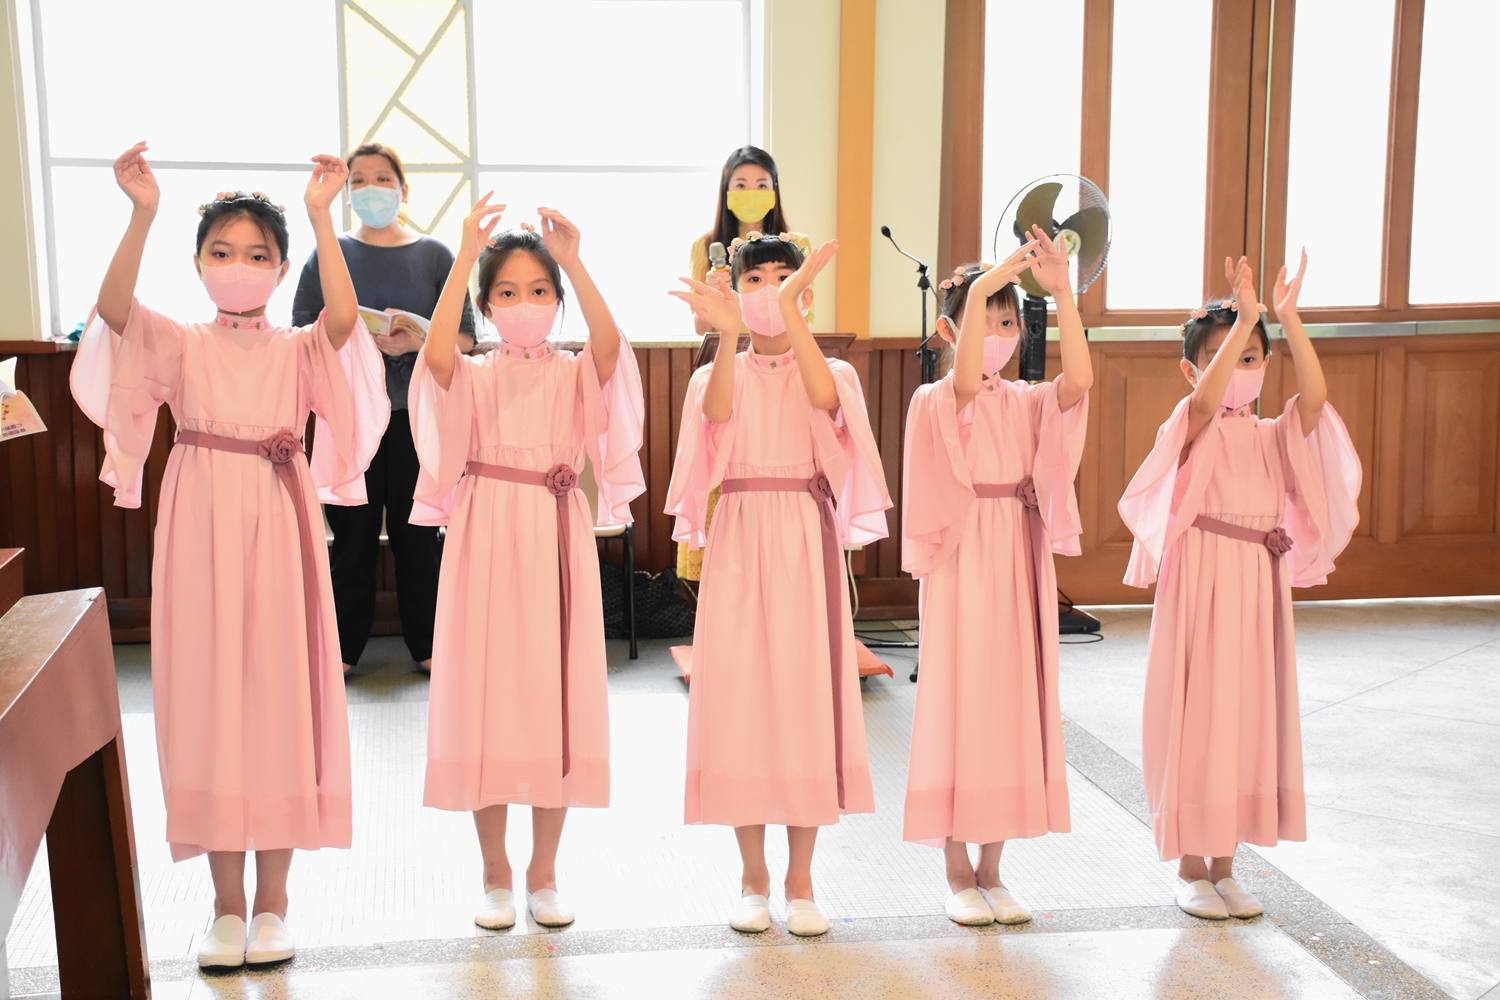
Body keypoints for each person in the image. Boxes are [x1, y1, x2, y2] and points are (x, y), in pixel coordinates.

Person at [71, 143, 387, 967]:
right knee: (208, 694)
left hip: (279, 520)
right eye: (221, 251)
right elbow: (114, 309)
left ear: (281, 269)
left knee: (279, 693)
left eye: (256, 254)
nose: (238, 265)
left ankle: (273, 904)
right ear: (198, 264)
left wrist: (321, 216)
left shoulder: (297, 348)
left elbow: (344, 323)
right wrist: (142, 212)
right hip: (199, 520)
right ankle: (225, 908)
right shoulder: (179, 341)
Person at [410, 193, 644, 930]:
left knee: (554, 695)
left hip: (554, 531)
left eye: (540, 291)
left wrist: (574, 259)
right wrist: (462, 261)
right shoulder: (474, 372)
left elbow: (611, 349)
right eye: (506, 292)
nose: (524, 304)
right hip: (484, 529)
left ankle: (544, 873)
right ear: (485, 305)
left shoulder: (573, 371)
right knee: (484, 695)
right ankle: (495, 874)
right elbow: (435, 356)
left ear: (557, 301)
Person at [1118, 253, 1360, 920]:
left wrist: (1285, 317)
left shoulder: (1274, 434)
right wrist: (1244, 316)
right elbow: (1206, 401)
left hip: (1257, 582)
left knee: (1244, 716)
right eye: (1224, 358)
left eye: (1251, 357)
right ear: (1192, 368)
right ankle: (1190, 868)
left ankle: (1225, 865)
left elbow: (1315, 399)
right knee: (1199, 712)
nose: (1240, 369)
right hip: (1202, 579)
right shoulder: (1190, 422)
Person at [667, 233, 891, 937]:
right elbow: (718, 416)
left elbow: (823, 400)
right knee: (740, 701)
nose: (770, 289)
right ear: (734, 291)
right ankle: (751, 878)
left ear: (807, 293)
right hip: (739, 533)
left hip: (803, 534)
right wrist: (730, 333)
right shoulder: (715, 372)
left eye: (783, 278)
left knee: (803, 700)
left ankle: (801, 880)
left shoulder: (835, 371)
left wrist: (788, 312)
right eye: (755, 279)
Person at [900, 228, 1090, 926]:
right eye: (988, 320)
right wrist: (984, 283)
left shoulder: (1027, 400)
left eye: (1010, 322)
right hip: (960, 556)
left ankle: (994, 867)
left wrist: (1062, 294)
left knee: (1009, 701)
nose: (1002, 334)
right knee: (960, 697)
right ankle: (956, 869)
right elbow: (961, 388)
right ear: (953, 331)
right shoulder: (936, 398)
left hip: (1016, 550)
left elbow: (1080, 384)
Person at [292, 142, 475, 674]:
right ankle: (343, 652)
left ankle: (429, 646)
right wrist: (356, 342)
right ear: (346, 194)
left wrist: (417, 342)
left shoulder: (436, 255)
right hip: (348, 418)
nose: (370, 189)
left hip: (419, 418)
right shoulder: (329, 254)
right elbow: (302, 333)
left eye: (382, 179)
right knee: (351, 537)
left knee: (419, 535)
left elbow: (465, 339)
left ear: (403, 190)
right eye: (358, 181)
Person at [678, 146, 809, 585]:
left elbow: (806, 310)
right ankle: (726, 585)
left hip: (786, 366)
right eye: (741, 184)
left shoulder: (797, 244)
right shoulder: (706, 246)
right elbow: (702, 325)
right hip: (728, 366)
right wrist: (719, 301)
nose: (751, 192)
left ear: (774, 190)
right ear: (726, 190)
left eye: (761, 184)